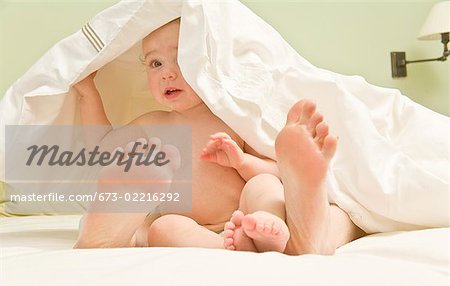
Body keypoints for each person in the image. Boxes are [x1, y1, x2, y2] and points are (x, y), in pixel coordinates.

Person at [73, 17, 365, 255]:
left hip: (246, 210)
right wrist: (89, 95)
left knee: (263, 184)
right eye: (155, 63)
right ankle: (227, 247)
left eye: (180, 59)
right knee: (164, 228)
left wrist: (242, 163)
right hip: (194, 227)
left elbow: (275, 168)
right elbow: (101, 148)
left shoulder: (233, 117)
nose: (167, 74)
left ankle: (271, 228)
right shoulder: (152, 125)